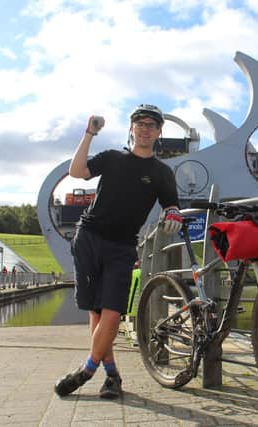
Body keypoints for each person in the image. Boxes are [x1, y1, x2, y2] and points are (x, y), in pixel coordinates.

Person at [54, 104, 182, 399]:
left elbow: (171, 204)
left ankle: (86, 371)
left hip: (123, 246)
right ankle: (112, 376)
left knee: (113, 311)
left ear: (159, 132)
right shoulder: (112, 157)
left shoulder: (162, 173)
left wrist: (174, 214)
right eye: (140, 123)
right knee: (96, 312)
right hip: (89, 238)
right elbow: (76, 171)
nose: (145, 128)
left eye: (152, 124)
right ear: (132, 128)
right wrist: (89, 133)